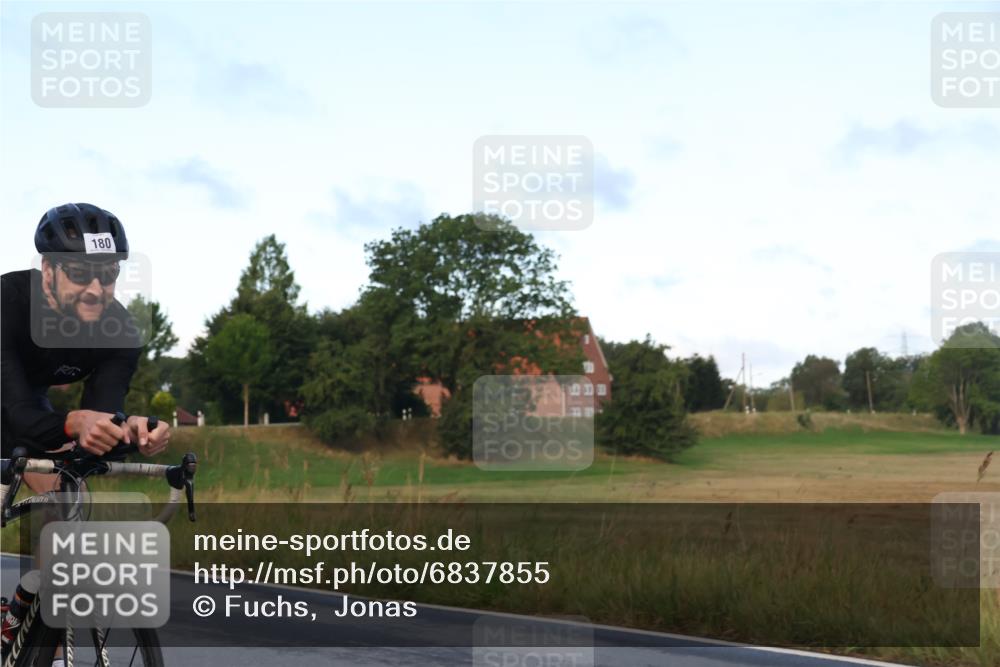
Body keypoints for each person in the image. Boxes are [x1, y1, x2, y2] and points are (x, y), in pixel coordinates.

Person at [1, 203, 171, 658]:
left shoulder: (120, 329)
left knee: (66, 494)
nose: (96, 289)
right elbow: (16, 411)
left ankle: (46, 643)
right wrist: (73, 421)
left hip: (26, 404)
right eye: (80, 274)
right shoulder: (7, 303)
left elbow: (99, 420)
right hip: (11, 398)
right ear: (48, 270)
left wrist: (132, 431)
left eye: (108, 274)